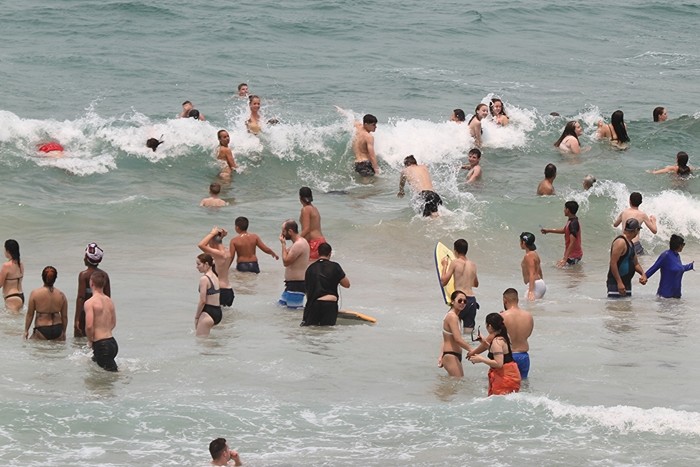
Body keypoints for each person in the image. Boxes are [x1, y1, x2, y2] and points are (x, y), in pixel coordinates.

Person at [468, 289, 534, 379]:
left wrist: (473, 353)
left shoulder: (502, 317)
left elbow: (490, 339)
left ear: (505, 301)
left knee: (504, 385)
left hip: (507, 357)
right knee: (521, 383)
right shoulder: (528, 316)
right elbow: (528, 334)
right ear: (517, 300)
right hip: (524, 356)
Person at [467, 313, 521, 396]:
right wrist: (483, 341)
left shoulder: (496, 342)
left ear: (490, 326)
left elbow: (499, 364)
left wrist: (481, 359)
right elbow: (496, 352)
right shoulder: (503, 337)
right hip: (511, 375)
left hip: (505, 378)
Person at [301, 243, 349, 326]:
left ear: (318, 253)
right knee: (327, 330)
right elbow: (347, 284)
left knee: (313, 330)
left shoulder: (310, 268)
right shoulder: (335, 266)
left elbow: (307, 290)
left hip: (314, 304)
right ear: (330, 253)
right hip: (330, 304)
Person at [439, 239, 479, 332]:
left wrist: (444, 265)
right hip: (472, 301)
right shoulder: (473, 265)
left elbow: (443, 281)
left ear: (455, 250)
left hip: (460, 300)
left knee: (450, 329)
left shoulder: (455, 262)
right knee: (468, 333)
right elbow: (476, 284)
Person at [85, 270, 118, 371]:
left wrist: (90, 340)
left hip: (102, 345)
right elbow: (113, 323)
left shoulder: (90, 302)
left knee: (110, 375)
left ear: (91, 283)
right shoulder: (109, 301)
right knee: (95, 366)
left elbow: (89, 326)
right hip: (112, 343)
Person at [75, 243, 111, 338]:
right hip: (100, 313)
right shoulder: (104, 275)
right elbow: (108, 297)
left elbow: (81, 297)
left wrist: (77, 319)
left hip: (85, 313)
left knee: (81, 339)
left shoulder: (83, 275)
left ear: (87, 259)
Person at [438, 290, 476, 378]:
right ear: (452, 301)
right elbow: (458, 339)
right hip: (450, 355)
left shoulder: (456, 317)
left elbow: (445, 338)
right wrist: (471, 350)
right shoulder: (452, 317)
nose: (462, 303)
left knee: (453, 384)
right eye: (459, 300)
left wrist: (441, 355)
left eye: (465, 301)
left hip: (451, 355)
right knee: (459, 381)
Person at [24, 266, 68, 341]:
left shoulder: (35, 294)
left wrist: (26, 330)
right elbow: (64, 317)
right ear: (55, 278)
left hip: (42, 328)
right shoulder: (61, 295)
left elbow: (30, 314)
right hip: (58, 329)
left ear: (42, 277)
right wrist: (63, 332)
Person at [607, 218, 648, 297]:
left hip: (627, 282)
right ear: (635, 230)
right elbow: (613, 263)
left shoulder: (631, 243)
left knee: (626, 304)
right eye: (638, 230)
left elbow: (636, 264)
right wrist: (619, 282)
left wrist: (643, 274)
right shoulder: (620, 242)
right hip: (616, 283)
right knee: (615, 305)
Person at [645, 234, 694, 298]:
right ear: (679, 245)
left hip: (676, 297)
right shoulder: (666, 255)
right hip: (664, 297)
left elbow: (678, 268)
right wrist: (645, 276)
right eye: (683, 244)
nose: (683, 246)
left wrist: (691, 266)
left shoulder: (677, 256)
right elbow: (654, 267)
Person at [198, 228, 234, 307]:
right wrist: (220, 237)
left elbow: (201, 245)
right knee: (226, 314)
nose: (208, 244)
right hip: (228, 291)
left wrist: (212, 233)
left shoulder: (219, 254)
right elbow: (217, 244)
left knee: (217, 314)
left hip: (220, 291)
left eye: (209, 241)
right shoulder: (227, 252)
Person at [540, 200, 583, 267]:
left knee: (559, 268)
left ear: (568, 210)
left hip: (574, 256)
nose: (564, 210)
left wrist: (565, 259)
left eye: (565, 208)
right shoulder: (571, 220)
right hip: (572, 255)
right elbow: (564, 230)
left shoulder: (573, 224)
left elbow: (572, 242)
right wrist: (548, 230)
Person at [279, 220, 310, 308]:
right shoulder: (296, 244)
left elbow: (286, 262)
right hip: (291, 284)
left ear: (290, 231)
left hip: (297, 284)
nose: (282, 234)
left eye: (283, 231)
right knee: (281, 307)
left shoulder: (299, 244)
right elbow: (287, 254)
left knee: (293, 311)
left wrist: (283, 244)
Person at [195, 254, 221, 337]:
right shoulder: (215, 276)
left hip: (208, 312)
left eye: (198, 264)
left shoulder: (204, 279)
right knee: (208, 342)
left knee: (201, 341)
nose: (197, 267)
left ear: (206, 264)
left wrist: (196, 317)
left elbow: (203, 301)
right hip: (218, 312)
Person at [299, 187, 327, 260]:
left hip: (313, 243)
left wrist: (296, 240)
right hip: (321, 242)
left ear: (300, 198)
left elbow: (306, 229)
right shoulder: (314, 209)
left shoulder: (306, 209)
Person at [520, 232, 545, 300]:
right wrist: (542, 284)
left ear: (523, 242)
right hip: (539, 284)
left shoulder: (529, 256)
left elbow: (532, 273)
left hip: (535, 285)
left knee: (528, 304)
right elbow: (540, 271)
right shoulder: (534, 254)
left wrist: (531, 291)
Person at [1, 239, 24, 312]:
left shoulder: (6, 266)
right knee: (17, 318)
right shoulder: (21, 264)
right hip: (20, 295)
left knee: (12, 318)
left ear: (8, 251)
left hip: (11, 297)